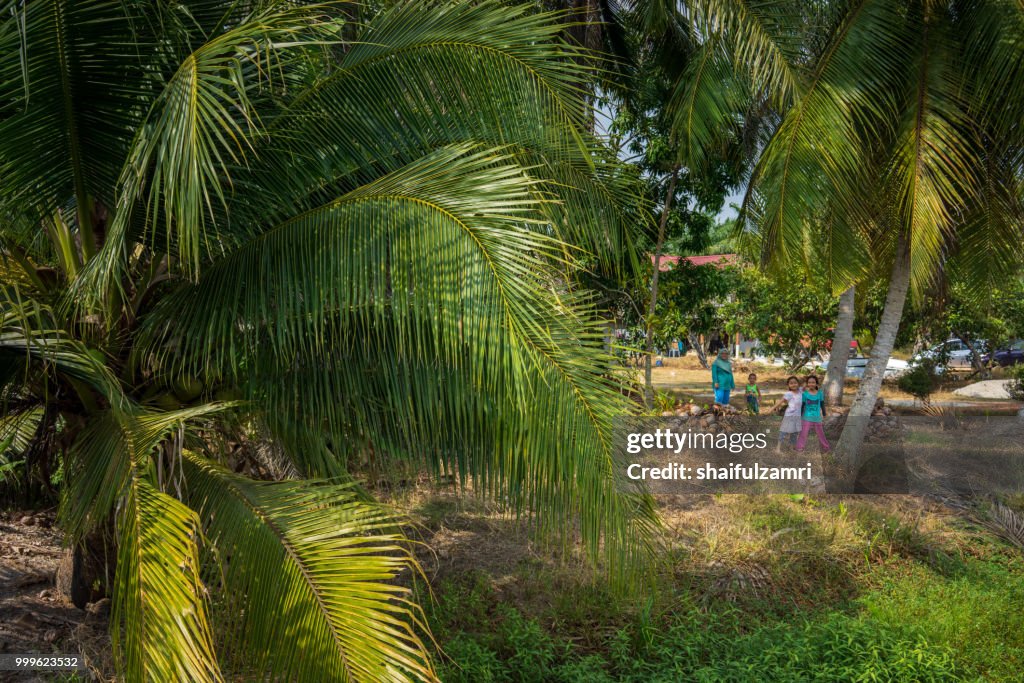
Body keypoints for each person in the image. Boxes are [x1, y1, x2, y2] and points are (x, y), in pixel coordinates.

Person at [796, 375, 830, 452]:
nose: (811, 384)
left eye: (813, 382)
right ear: (807, 384)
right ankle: (799, 447)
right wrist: (799, 416)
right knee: (803, 433)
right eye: (809, 382)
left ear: (816, 383)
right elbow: (802, 406)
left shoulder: (820, 393)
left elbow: (822, 404)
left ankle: (826, 447)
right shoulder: (805, 394)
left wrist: (824, 414)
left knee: (821, 434)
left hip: (817, 418)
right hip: (806, 418)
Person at [774, 376, 802, 452]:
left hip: (797, 416)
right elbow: (781, 401)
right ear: (788, 385)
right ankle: (778, 448)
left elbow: (807, 384)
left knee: (794, 433)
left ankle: (791, 447)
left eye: (795, 383)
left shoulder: (800, 391)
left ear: (798, 384)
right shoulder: (788, 393)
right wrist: (772, 408)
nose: (793, 384)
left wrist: (811, 373)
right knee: (783, 431)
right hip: (789, 416)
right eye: (791, 383)